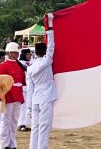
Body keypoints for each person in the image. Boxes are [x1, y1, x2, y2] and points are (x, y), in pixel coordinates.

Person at [26, 14, 57, 149]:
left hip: (35, 99)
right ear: (44, 52)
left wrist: (28, 107)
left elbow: (30, 89)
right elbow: (51, 46)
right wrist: (49, 27)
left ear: (34, 53)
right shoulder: (46, 61)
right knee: (44, 129)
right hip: (46, 97)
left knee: (36, 129)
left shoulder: (30, 68)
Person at [0, 43, 25, 149]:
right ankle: (4, 145)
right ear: (9, 53)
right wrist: (1, 98)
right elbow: (0, 84)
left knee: (14, 122)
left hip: (17, 96)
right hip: (8, 97)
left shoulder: (19, 65)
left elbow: (22, 81)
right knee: (5, 122)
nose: (16, 54)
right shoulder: (3, 66)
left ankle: (12, 144)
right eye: (14, 52)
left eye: (17, 52)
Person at [17, 48, 32, 132]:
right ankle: (21, 124)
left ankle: (24, 123)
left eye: (30, 54)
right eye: (27, 55)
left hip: (28, 88)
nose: (29, 56)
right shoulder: (20, 64)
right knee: (22, 107)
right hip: (23, 88)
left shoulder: (29, 63)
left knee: (27, 107)